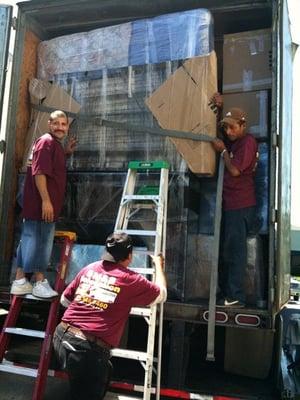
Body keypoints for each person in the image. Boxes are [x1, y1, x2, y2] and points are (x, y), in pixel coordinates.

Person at [53, 231, 167, 400]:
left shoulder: (89, 268)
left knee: (78, 389)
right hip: (86, 350)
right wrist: (158, 265)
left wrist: (92, 304)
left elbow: (65, 299)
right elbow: (161, 294)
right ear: (129, 256)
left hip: (62, 337)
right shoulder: (131, 280)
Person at [10, 110, 77, 298]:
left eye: (64, 124)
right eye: (56, 123)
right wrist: (46, 201)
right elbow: (39, 173)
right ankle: (39, 282)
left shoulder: (52, 145)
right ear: (49, 124)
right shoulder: (46, 142)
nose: (60, 128)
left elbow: (50, 165)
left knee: (31, 239)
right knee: (42, 242)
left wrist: (66, 152)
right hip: (42, 204)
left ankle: (20, 280)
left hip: (41, 205)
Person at [210, 93, 259, 308]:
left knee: (236, 252)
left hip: (240, 205)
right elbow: (221, 136)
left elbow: (236, 170)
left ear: (242, 125)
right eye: (226, 127)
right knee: (230, 249)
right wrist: (219, 109)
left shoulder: (247, 143)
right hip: (232, 204)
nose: (228, 132)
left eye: (232, 127)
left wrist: (223, 154)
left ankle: (236, 296)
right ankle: (229, 293)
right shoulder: (235, 140)